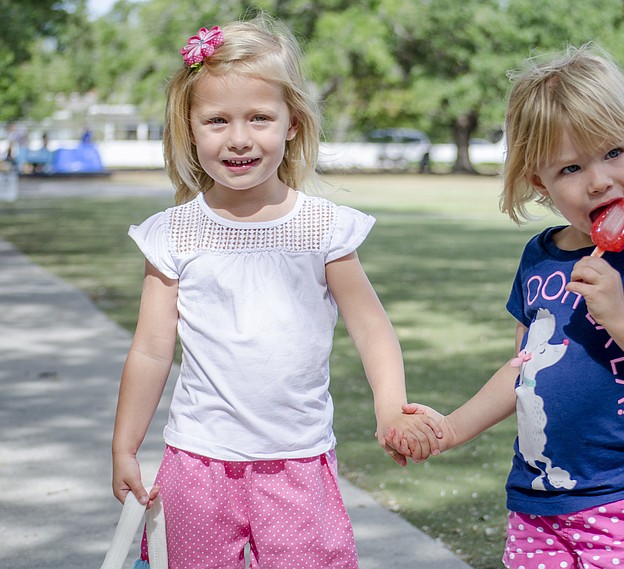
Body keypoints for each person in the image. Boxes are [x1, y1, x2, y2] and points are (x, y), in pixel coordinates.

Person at [111, 15, 438, 569]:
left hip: (297, 462)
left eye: (259, 117)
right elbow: (149, 350)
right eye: (217, 120)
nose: (239, 138)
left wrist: (389, 407)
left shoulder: (322, 228)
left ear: (291, 123)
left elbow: (370, 326)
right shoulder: (173, 233)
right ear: (189, 128)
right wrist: (125, 444)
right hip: (197, 462)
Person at [388, 44, 624, 569]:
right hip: (537, 505)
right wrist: (452, 428)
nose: (599, 180)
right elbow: (525, 370)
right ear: (540, 181)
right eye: (571, 167)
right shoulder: (539, 258)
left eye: (614, 152)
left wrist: (619, 316)